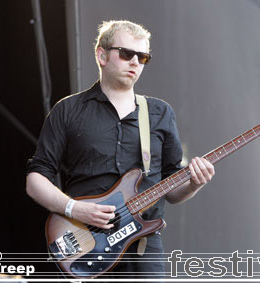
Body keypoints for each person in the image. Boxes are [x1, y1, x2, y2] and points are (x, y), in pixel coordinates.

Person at [26, 20, 215, 279]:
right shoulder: (67, 110)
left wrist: (195, 183)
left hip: (141, 247)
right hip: (85, 243)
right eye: (126, 54)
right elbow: (35, 180)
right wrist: (75, 209)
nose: (135, 62)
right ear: (101, 55)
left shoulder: (160, 113)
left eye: (143, 57)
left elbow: (172, 190)